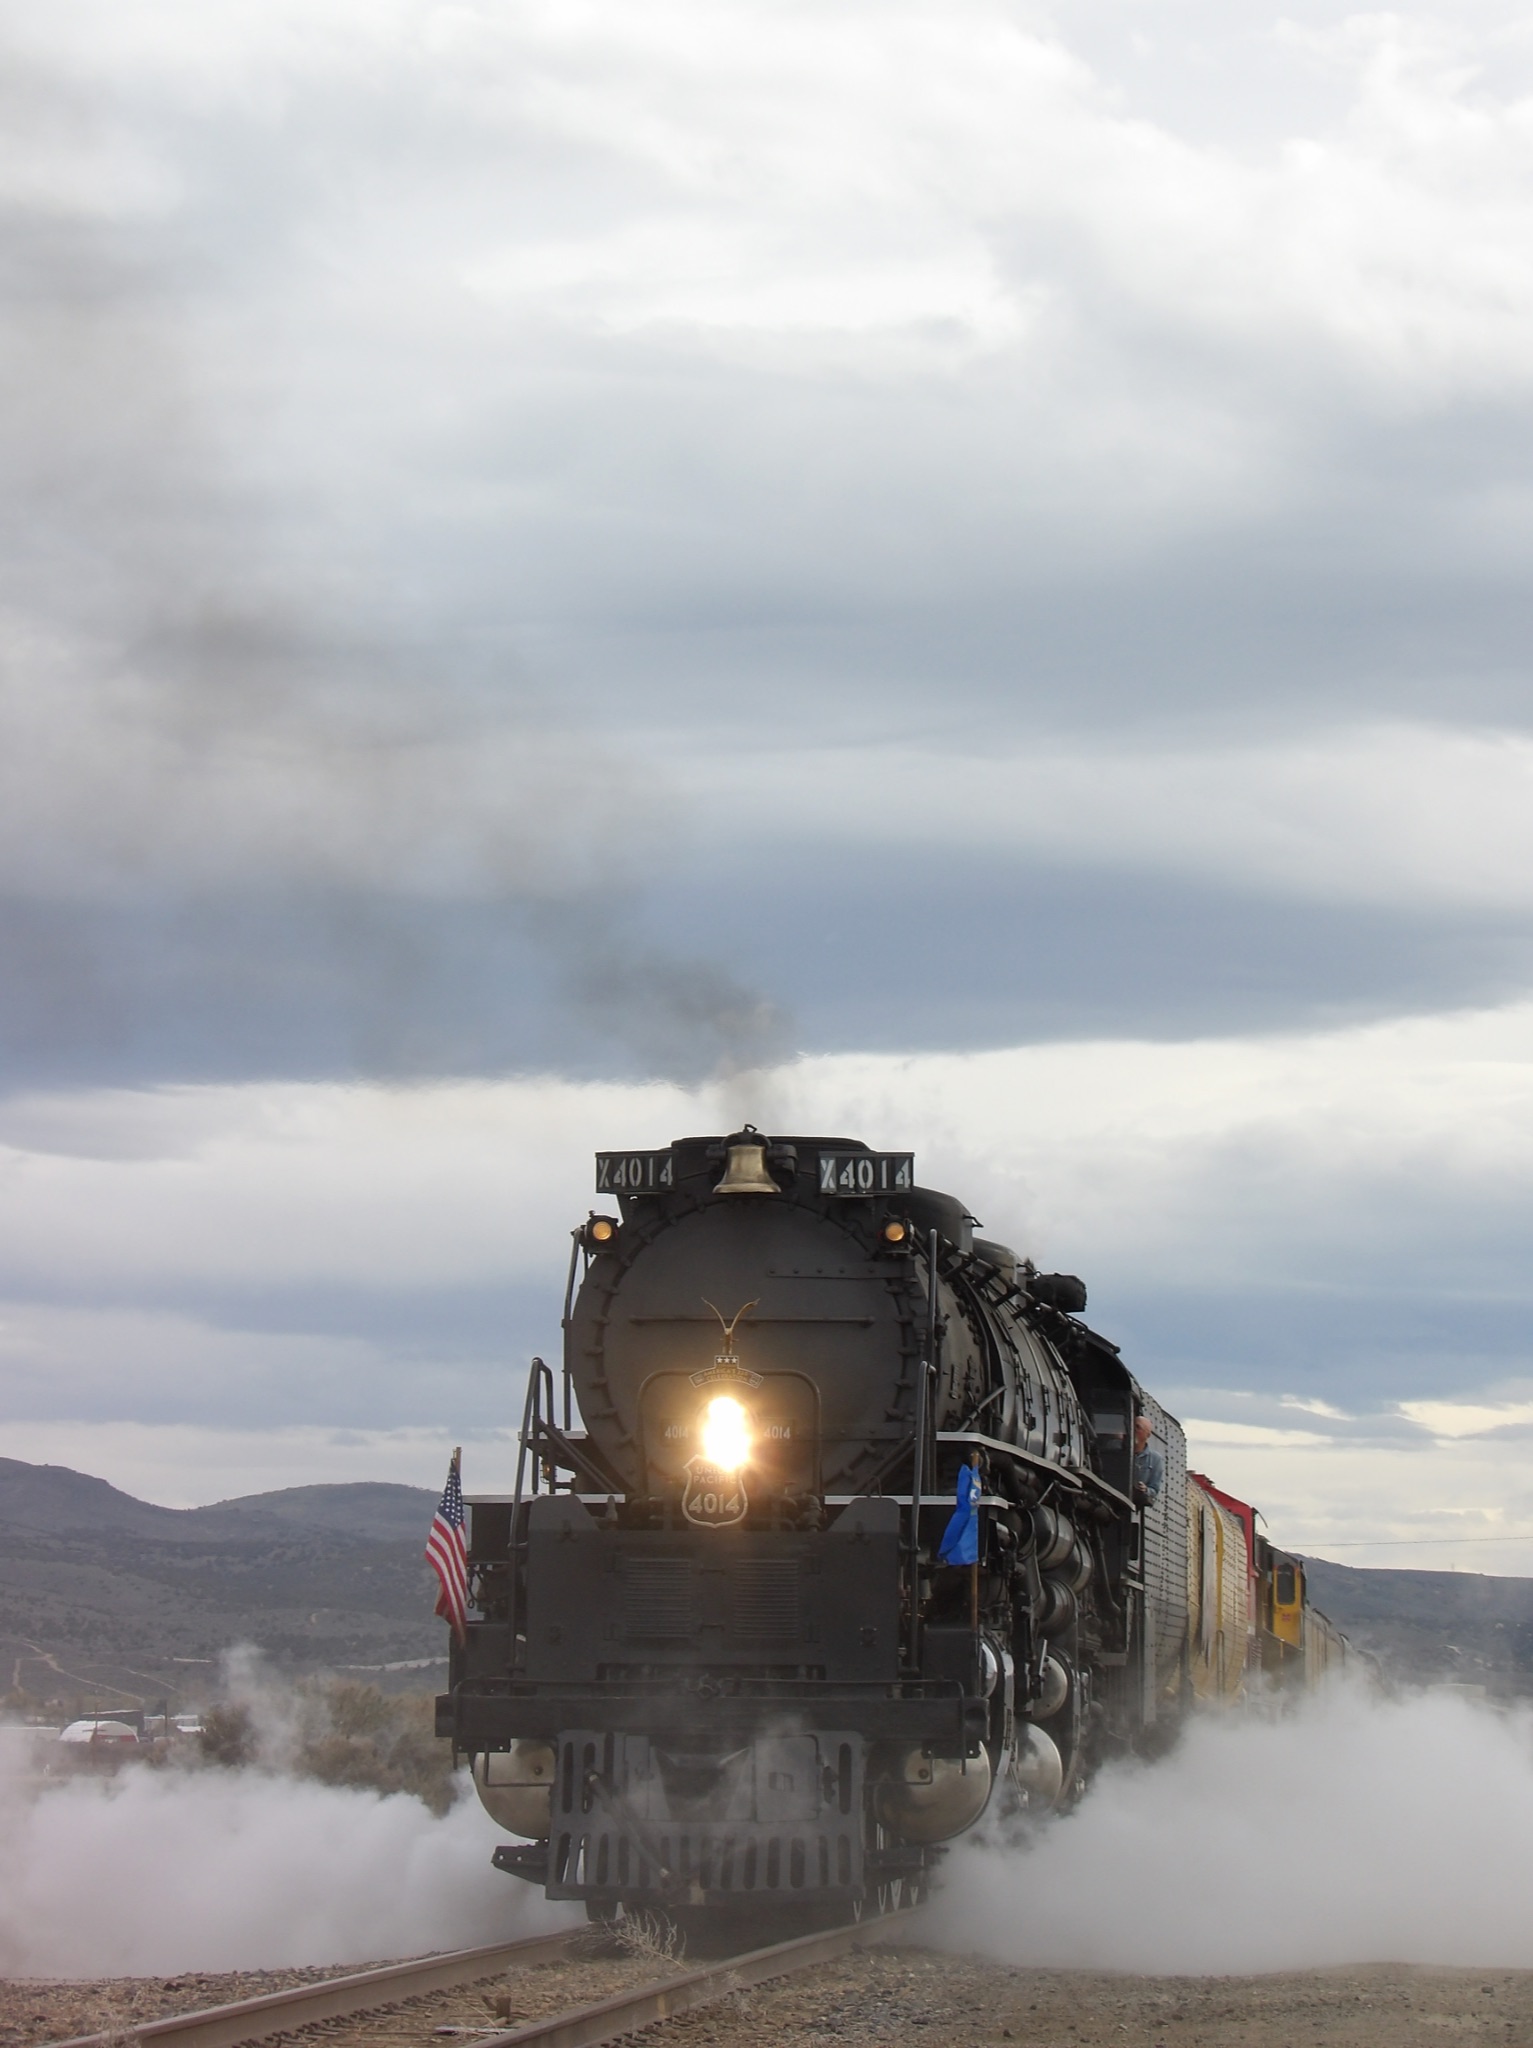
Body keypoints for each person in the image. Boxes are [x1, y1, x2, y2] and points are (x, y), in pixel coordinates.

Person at [1133, 1415, 1163, 1509]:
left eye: (1138, 1427)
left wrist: (1145, 1490)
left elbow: (1154, 1489)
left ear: (1147, 1435)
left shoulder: (1155, 1459)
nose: (1133, 1430)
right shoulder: (1113, 1446)